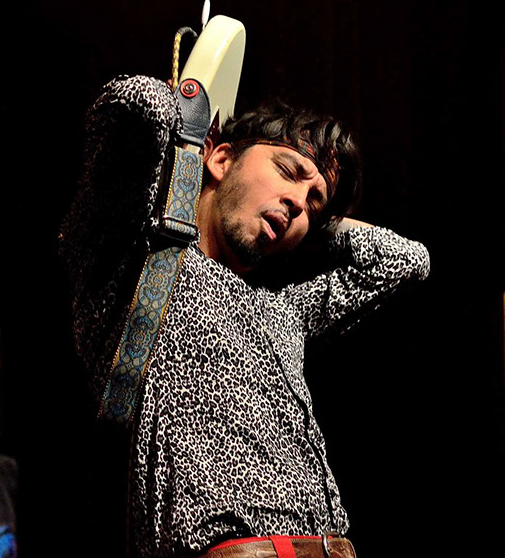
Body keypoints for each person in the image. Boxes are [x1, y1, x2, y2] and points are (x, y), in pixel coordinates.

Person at [59, 75, 429, 558]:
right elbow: (135, 105)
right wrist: (190, 115)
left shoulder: (284, 312)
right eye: (289, 170)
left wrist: (315, 220)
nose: (299, 202)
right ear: (220, 158)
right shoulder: (133, 261)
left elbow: (406, 260)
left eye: (314, 202)